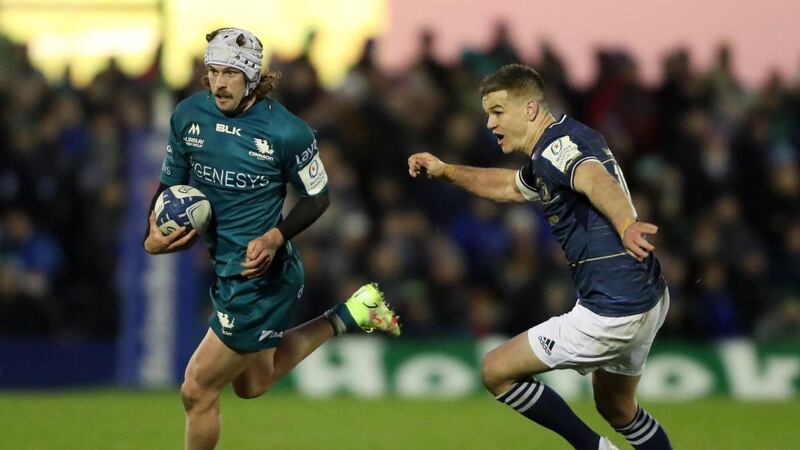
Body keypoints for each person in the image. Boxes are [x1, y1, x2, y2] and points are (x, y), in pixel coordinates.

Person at [143, 27, 400, 450]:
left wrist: (276, 235)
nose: (219, 82)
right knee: (253, 383)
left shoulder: (287, 132)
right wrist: (150, 237)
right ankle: (352, 313)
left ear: (250, 77)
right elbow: (167, 190)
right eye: (212, 71)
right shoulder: (188, 116)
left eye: (229, 72)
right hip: (227, 269)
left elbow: (319, 198)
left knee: (196, 389)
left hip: (261, 277)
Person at [408, 64, 672, 450]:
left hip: (613, 309)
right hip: (648, 293)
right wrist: (446, 170)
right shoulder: (565, 140)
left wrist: (626, 223)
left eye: (498, 112)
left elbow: (595, 178)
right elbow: (510, 187)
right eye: (487, 113)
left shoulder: (557, 149)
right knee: (618, 408)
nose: (489, 123)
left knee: (496, 371)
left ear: (530, 109)